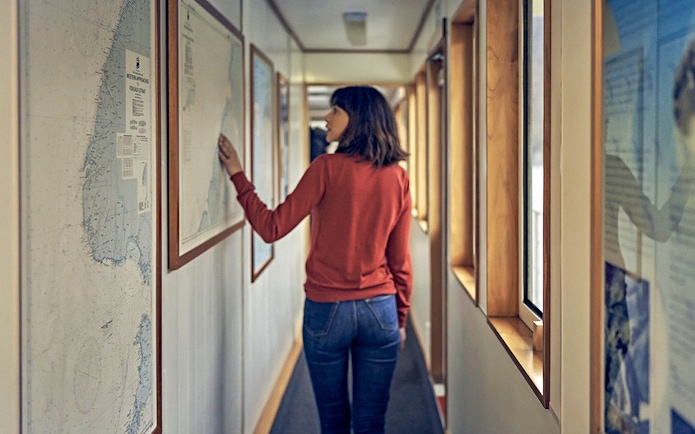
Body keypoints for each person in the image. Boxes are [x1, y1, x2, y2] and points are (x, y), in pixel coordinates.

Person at [218, 85, 413, 433]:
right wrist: (399, 318)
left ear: (358, 120)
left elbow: (272, 226)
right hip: (380, 309)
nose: (326, 116)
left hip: (328, 311)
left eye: (335, 110)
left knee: (333, 421)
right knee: (371, 421)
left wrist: (238, 175)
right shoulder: (398, 177)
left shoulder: (326, 168)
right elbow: (400, 261)